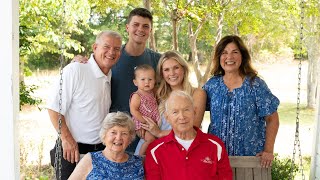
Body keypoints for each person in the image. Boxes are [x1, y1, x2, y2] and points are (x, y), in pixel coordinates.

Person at [72, 8, 161, 153]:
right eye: (136, 25)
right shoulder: (112, 57)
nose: (140, 29)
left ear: (151, 30)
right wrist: (78, 61)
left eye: (146, 26)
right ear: (127, 28)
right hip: (116, 134)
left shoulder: (157, 60)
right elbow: (92, 69)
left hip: (148, 132)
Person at [47, 30, 122, 179]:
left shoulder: (110, 76)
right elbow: (54, 109)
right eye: (106, 47)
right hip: (71, 152)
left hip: (99, 154)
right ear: (95, 47)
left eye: (116, 49)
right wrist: (66, 139)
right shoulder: (76, 70)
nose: (111, 52)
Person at [202, 35, 280, 168]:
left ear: (242, 56)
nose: (229, 57)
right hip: (217, 161)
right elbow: (195, 112)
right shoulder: (212, 85)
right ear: (219, 57)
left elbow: (272, 119)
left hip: (250, 161)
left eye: (235, 52)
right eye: (224, 53)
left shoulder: (255, 85)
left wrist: (268, 150)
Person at [144, 90, 232, 180]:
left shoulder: (215, 145)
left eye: (186, 110)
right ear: (167, 118)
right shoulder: (155, 150)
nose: (182, 117)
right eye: (175, 112)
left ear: (194, 112)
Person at [68, 111, 144, 179]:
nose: (118, 138)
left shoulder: (139, 163)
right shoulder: (91, 160)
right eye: (113, 132)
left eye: (124, 133)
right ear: (104, 135)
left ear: (130, 139)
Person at [129, 64, 160, 155]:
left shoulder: (152, 93)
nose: (147, 82)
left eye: (150, 79)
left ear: (154, 81)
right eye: (143, 79)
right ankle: (140, 157)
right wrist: (144, 122)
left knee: (155, 140)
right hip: (141, 123)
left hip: (151, 124)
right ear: (135, 82)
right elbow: (133, 110)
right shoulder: (137, 95)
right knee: (150, 139)